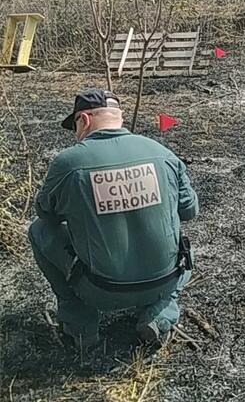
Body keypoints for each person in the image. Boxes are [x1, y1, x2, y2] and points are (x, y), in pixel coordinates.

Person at [28, 88, 198, 351]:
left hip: (101, 291)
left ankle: (80, 326)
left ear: (83, 120)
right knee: (184, 248)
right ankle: (160, 313)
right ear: (118, 117)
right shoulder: (162, 152)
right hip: (164, 280)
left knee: (38, 231)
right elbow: (189, 210)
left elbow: (45, 214)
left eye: (74, 125)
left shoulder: (68, 163)